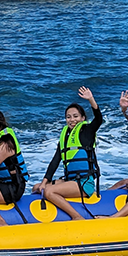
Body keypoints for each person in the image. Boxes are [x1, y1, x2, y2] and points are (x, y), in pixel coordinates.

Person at [31, 86, 103, 220]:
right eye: (68, 117)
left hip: (84, 183)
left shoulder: (87, 131)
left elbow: (98, 119)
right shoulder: (65, 137)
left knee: (49, 191)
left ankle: (77, 216)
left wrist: (91, 99)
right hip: (70, 181)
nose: (72, 120)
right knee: (37, 188)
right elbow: (55, 161)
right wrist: (43, 181)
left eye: (75, 116)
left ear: (82, 118)